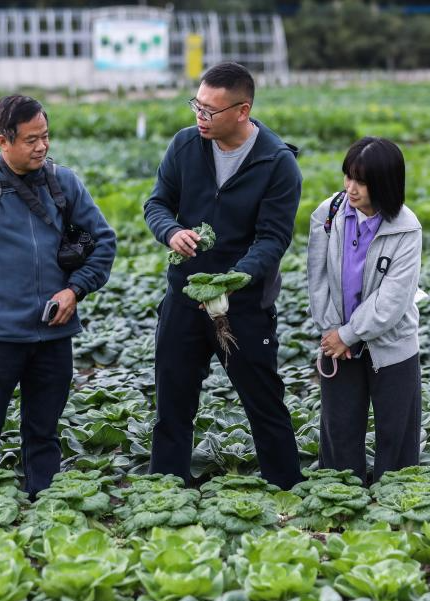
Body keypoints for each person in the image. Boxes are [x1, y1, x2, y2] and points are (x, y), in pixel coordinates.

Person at [0, 94, 116, 497]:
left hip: (54, 334)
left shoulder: (63, 181)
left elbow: (104, 241)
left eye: (46, 136)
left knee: (44, 431)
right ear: (3, 141)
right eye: (31, 139)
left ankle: (46, 506)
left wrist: (75, 289)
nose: (41, 146)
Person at [145, 62, 303, 490]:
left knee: (264, 404)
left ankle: (287, 492)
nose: (200, 117)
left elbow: (273, 239)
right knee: (172, 404)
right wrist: (171, 231)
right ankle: (166, 493)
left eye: (209, 110)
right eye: (196, 105)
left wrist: (233, 281)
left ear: (242, 110)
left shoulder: (276, 163)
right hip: (183, 300)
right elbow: (156, 204)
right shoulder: (184, 146)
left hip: (244, 306)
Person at [307, 136, 423, 485]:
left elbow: (393, 299)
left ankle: (396, 508)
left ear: (385, 184)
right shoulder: (329, 213)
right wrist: (332, 333)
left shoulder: (406, 227)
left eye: (361, 181)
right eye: (348, 177)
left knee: (397, 437)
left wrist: (349, 334)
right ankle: (342, 506)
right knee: (339, 432)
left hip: (392, 344)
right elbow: (318, 278)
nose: (350, 188)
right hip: (337, 341)